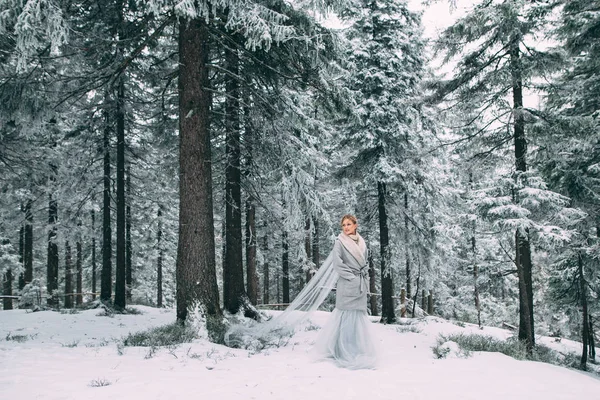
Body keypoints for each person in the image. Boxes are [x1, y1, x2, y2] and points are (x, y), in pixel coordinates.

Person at [312, 214, 377, 369]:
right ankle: (341, 350)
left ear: (355, 225)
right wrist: (351, 277)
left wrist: (364, 278)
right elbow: (337, 263)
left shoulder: (362, 242)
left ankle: (357, 349)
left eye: (349, 224)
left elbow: (365, 262)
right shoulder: (340, 242)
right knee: (344, 317)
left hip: (360, 284)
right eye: (343, 225)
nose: (346, 227)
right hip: (348, 283)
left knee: (358, 318)